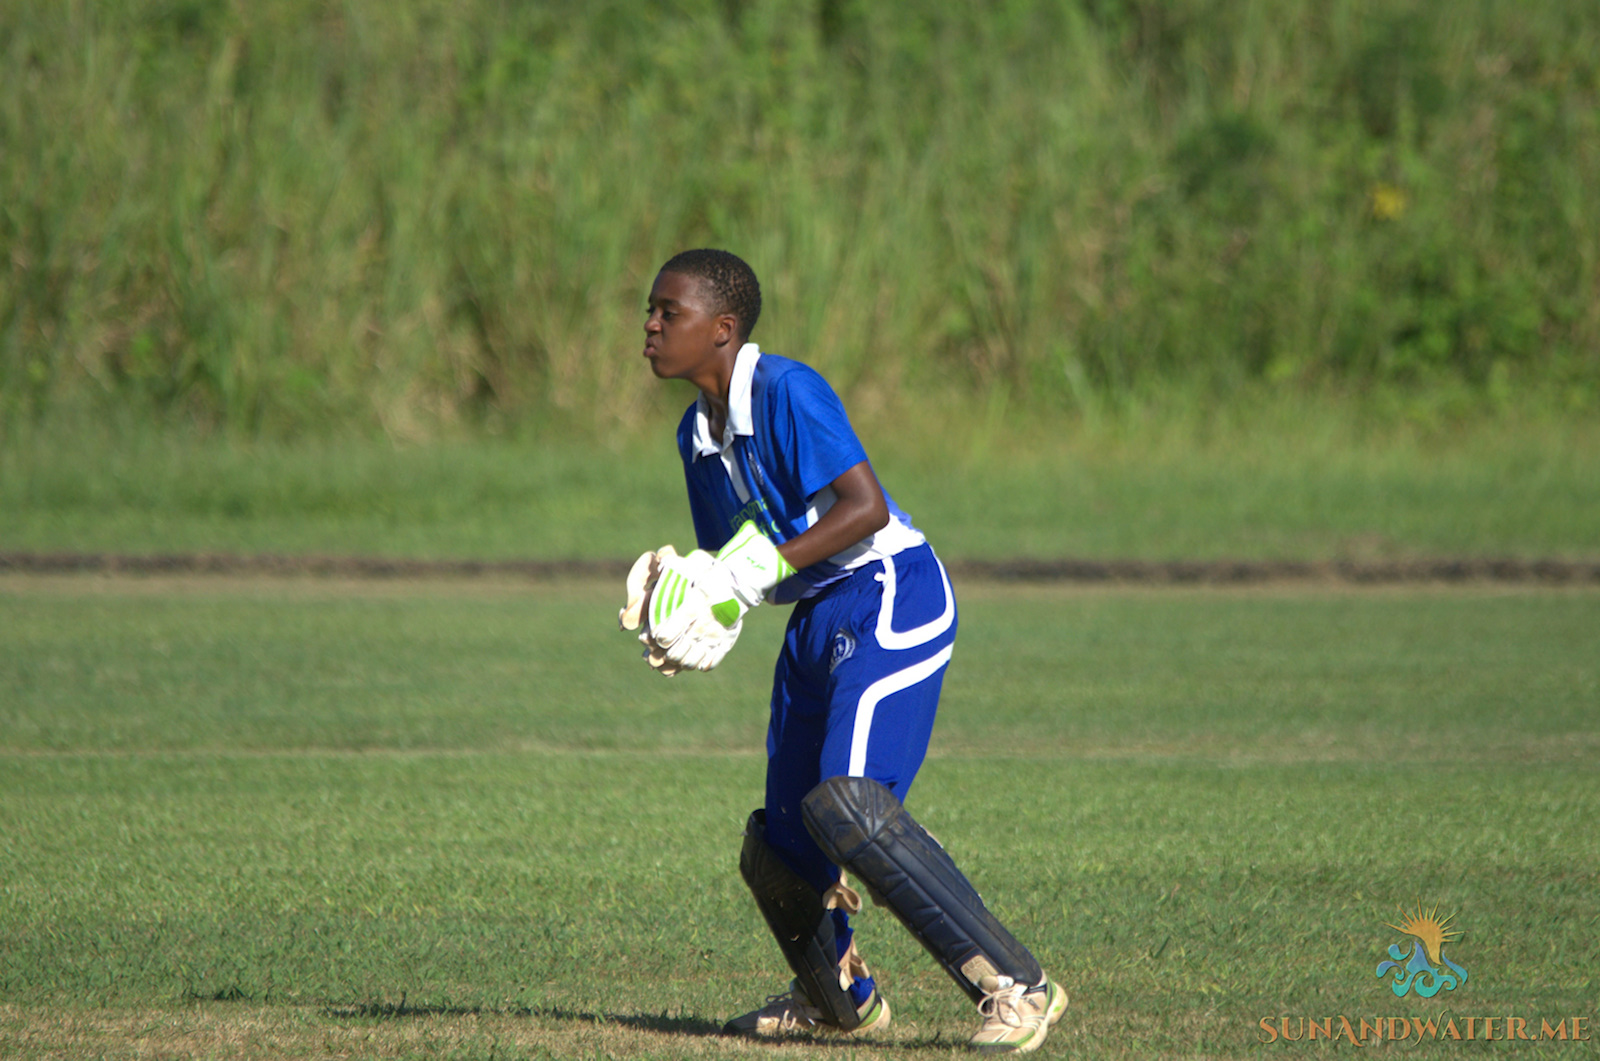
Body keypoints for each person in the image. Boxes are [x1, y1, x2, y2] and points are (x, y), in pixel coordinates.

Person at [619, 249, 1067, 1053]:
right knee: (778, 848)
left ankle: (1016, 986)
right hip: (819, 614)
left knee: (848, 805)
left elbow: (862, 508)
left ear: (723, 330)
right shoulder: (696, 434)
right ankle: (838, 999)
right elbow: (745, 563)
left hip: (890, 590)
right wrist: (705, 605)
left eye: (668, 312)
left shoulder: (787, 390)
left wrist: (747, 577)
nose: (649, 326)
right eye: (649, 311)